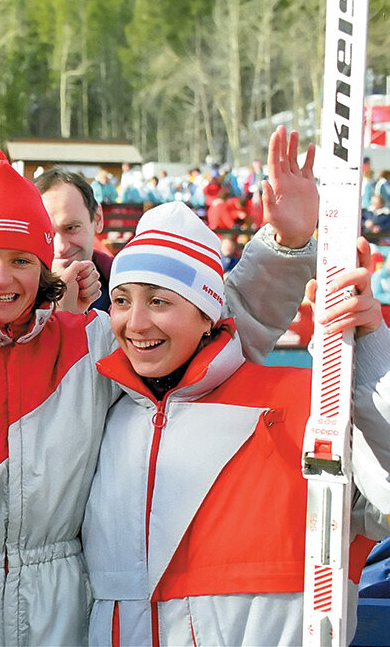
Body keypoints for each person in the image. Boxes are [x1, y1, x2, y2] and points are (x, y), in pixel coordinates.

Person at [0, 128, 319, 645]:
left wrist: (285, 247)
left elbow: (204, 324)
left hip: (65, 605)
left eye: (21, 261)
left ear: (42, 268)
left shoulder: (89, 344)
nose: (1, 280)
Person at [81, 204, 390, 646]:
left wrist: (372, 345)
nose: (136, 322)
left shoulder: (296, 401)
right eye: (122, 300)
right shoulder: (105, 411)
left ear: (208, 313)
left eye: (159, 301)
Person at [35, 166, 112, 311]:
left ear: (97, 219)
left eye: (71, 228)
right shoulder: (9, 300)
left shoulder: (129, 292)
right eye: (46, 234)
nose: (61, 247)